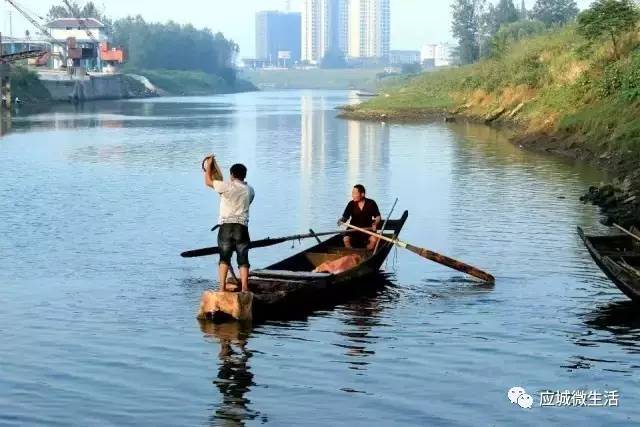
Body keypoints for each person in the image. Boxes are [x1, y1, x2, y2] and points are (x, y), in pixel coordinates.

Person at [204, 155, 255, 293]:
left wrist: (208, 165)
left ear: (232, 175)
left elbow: (208, 181)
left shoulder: (226, 186)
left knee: (224, 258)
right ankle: (244, 288)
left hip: (226, 227)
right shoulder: (250, 190)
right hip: (242, 227)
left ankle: (222, 288)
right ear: (244, 175)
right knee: (243, 258)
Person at [338, 184, 381, 250]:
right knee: (346, 240)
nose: (353, 195)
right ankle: (352, 253)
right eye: (352, 193)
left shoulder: (371, 203)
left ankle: (366, 253)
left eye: (355, 193)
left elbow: (378, 216)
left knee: (374, 240)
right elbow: (345, 217)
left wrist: (375, 223)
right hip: (353, 229)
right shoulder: (351, 204)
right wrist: (341, 220)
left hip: (367, 229)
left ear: (362, 194)